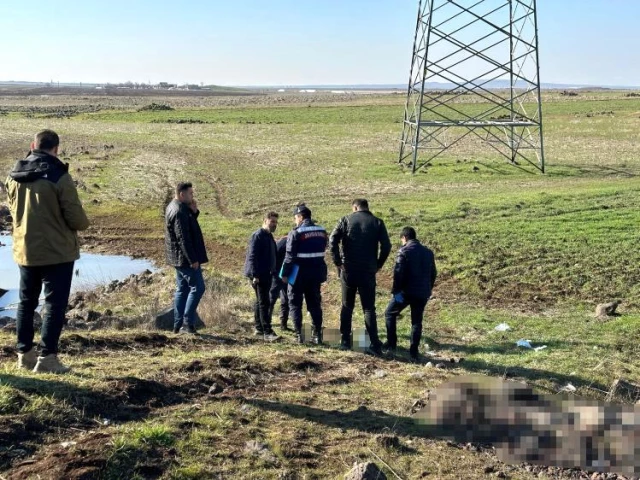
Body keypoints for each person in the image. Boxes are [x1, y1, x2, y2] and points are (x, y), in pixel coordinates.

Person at [5, 129, 90, 373]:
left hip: (25, 249)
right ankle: (47, 358)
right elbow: (77, 219)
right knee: (54, 304)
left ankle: (24, 354)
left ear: (33, 145)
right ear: (56, 149)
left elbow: (13, 211)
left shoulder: (14, 175)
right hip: (57, 252)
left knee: (26, 301)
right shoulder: (59, 176)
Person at [329, 199, 391, 355]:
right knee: (369, 308)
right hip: (368, 270)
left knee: (347, 305)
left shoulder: (346, 220)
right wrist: (378, 264)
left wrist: (337, 261)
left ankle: (345, 340)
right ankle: (374, 344)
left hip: (348, 269)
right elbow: (387, 246)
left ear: (355, 207)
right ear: (367, 207)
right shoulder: (377, 222)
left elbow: (332, 239)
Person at [384, 227, 437, 361]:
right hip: (422, 293)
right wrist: (428, 289)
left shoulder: (404, 251)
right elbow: (433, 273)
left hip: (406, 292)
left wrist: (396, 291)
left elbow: (398, 273)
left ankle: (391, 344)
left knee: (390, 313)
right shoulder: (428, 252)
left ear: (404, 238)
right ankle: (413, 351)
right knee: (416, 321)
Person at [165, 182, 208, 334]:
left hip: (178, 258)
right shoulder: (179, 211)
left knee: (182, 289)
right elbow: (183, 238)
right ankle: (187, 323)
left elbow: (187, 229)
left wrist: (194, 212)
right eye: (190, 194)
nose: (192, 196)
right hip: (185, 259)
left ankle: (178, 325)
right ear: (182, 194)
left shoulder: (176, 207)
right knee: (198, 288)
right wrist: (192, 260)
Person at [281, 204, 328, 344]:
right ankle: (317, 335)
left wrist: (284, 274)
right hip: (316, 273)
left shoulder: (296, 232)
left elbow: (289, 257)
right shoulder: (322, 231)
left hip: (298, 273)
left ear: (300, 217)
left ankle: (299, 336)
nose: (295, 221)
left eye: (296, 218)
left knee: (295, 303)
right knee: (314, 304)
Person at [244, 212, 279, 340]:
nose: (274, 224)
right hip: (259, 274)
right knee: (264, 302)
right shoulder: (258, 235)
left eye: (275, 222)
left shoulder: (269, 236)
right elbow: (252, 256)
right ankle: (267, 331)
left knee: (260, 301)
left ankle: (259, 329)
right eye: (272, 221)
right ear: (265, 221)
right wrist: (255, 275)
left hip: (266, 273)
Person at [269, 235, 291, 331]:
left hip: (287, 273)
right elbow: (274, 254)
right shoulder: (284, 242)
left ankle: (283, 324)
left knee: (286, 299)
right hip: (278, 272)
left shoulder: (290, 241)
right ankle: (266, 322)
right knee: (272, 298)